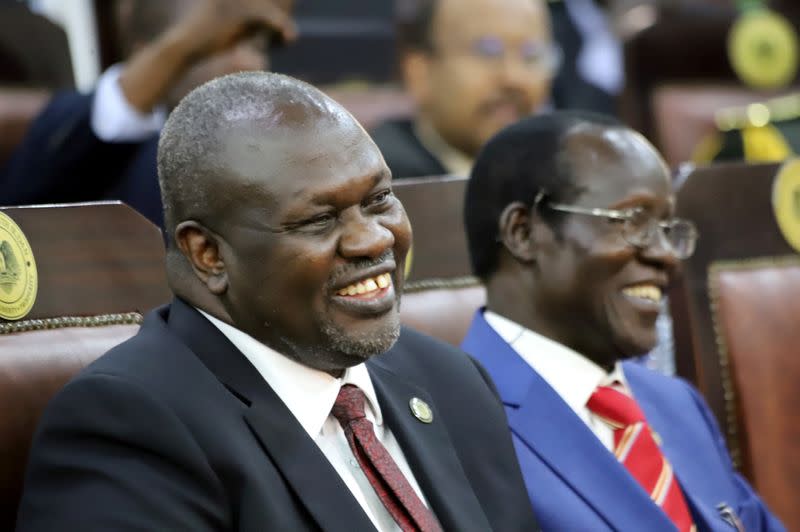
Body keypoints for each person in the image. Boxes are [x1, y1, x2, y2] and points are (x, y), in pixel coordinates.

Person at [15, 72, 539, 532]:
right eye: (319, 220)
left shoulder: (451, 380)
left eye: (379, 200)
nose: (373, 240)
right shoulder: (129, 426)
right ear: (208, 254)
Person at [460, 111, 785, 531]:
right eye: (632, 221)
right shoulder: (459, 419)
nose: (666, 254)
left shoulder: (675, 403)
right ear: (524, 233)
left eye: (667, 228)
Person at [0, 0, 295, 228]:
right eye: (211, 47)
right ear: (147, 53)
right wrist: (185, 42)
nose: (246, 61)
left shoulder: (279, 153)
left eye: (255, 45)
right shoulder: (82, 146)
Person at [370, 0, 558, 179]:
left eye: (531, 55)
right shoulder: (377, 189)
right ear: (419, 73)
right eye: (488, 51)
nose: (514, 78)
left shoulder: (563, 176)